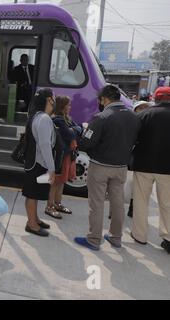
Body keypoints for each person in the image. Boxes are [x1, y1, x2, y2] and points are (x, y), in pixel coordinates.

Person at [75, 85, 141, 250]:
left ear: (104, 99)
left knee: (96, 203)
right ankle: (116, 237)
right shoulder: (134, 117)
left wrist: (84, 131)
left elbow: (86, 143)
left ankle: (94, 239)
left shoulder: (101, 117)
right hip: (121, 167)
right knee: (117, 203)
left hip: (100, 167)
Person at [130, 87, 170, 254]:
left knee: (141, 201)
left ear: (156, 98)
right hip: (168, 167)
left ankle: (140, 235)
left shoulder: (143, 115)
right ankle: (168, 238)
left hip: (143, 164)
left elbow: (133, 138)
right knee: (167, 204)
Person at [22, 88, 58, 237]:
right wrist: (52, 169)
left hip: (34, 162)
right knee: (32, 194)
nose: (55, 100)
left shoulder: (36, 115)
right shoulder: (44, 118)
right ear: (49, 100)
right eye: (53, 98)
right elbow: (45, 145)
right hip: (39, 163)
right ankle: (31, 224)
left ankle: (34, 219)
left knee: (34, 193)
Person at [46, 96, 82, 219]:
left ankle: (58, 203)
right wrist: (75, 129)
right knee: (56, 181)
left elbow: (78, 129)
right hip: (60, 155)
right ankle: (49, 206)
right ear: (62, 106)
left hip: (66, 154)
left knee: (61, 180)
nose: (70, 107)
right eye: (68, 105)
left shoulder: (66, 119)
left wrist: (75, 129)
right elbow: (70, 133)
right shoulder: (58, 120)